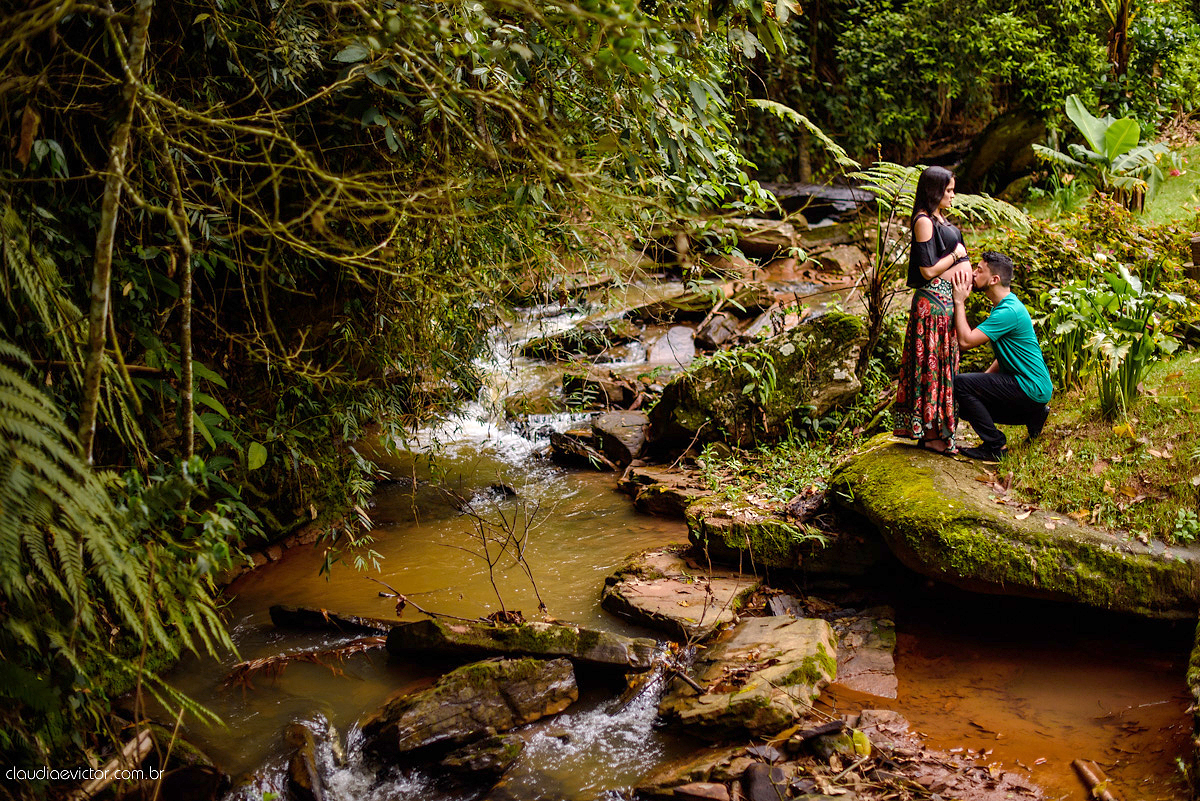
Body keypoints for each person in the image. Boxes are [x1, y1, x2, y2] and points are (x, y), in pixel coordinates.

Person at [892, 166, 972, 453]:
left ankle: (940, 429)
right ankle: (929, 434)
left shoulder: (941, 219)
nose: (952, 195)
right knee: (931, 366)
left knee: (945, 365)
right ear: (934, 191)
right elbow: (927, 270)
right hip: (932, 305)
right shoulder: (924, 221)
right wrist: (955, 256)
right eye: (948, 190)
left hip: (947, 304)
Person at [950, 252, 1053, 461]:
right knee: (966, 399)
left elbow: (966, 341)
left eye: (979, 270)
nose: (973, 273)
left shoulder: (1008, 311)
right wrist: (983, 383)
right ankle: (1034, 415)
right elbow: (1006, 355)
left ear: (994, 279)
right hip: (1033, 389)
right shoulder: (1005, 306)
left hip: (1030, 387)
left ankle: (996, 446)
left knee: (960, 384)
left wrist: (959, 301)